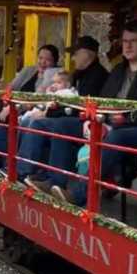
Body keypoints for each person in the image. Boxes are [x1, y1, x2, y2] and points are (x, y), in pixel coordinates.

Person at [48, 20, 137, 205]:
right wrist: (93, 119)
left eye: (133, 41)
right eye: (124, 41)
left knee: (116, 137)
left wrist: (124, 118)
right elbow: (101, 101)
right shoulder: (118, 70)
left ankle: (78, 194)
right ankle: (56, 185)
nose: (127, 46)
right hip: (108, 122)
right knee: (61, 125)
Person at [17, 36, 108, 181]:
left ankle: (25, 173)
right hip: (72, 116)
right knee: (34, 122)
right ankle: (32, 171)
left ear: (88, 54)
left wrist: (50, 112)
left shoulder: (97, 76)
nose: (73, 58)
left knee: (43, 123)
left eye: (76, 53)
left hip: (88, 122)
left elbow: (78, 107)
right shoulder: (79, 74)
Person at [0, 44, 59, 165]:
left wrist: (14, 108)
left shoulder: (54, 74)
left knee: (14, 130)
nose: (42, 62)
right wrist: (7, 101)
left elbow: (37, 98)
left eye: (47, 60)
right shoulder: (29, 70)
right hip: (16, 111)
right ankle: (7, 165)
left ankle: (12, 169)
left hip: (33, 113)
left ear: (54, 62)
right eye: (40, 58)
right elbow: (10, 88)